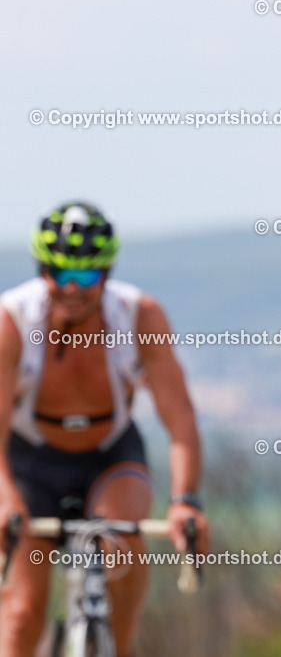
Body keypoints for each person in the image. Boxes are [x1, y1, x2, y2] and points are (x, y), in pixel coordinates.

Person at [0, 202, 210, 656]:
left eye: (86, 277)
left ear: (107, 273)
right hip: (29, 462)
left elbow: (180, 418)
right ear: (42, 271)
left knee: (122, 544)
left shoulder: (140, 318)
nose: (71, 288)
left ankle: (120, 645)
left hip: (109, 455)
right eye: (59, 274)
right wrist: (5, 498)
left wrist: (185, 501)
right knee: (21, 614)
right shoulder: (12, 321)